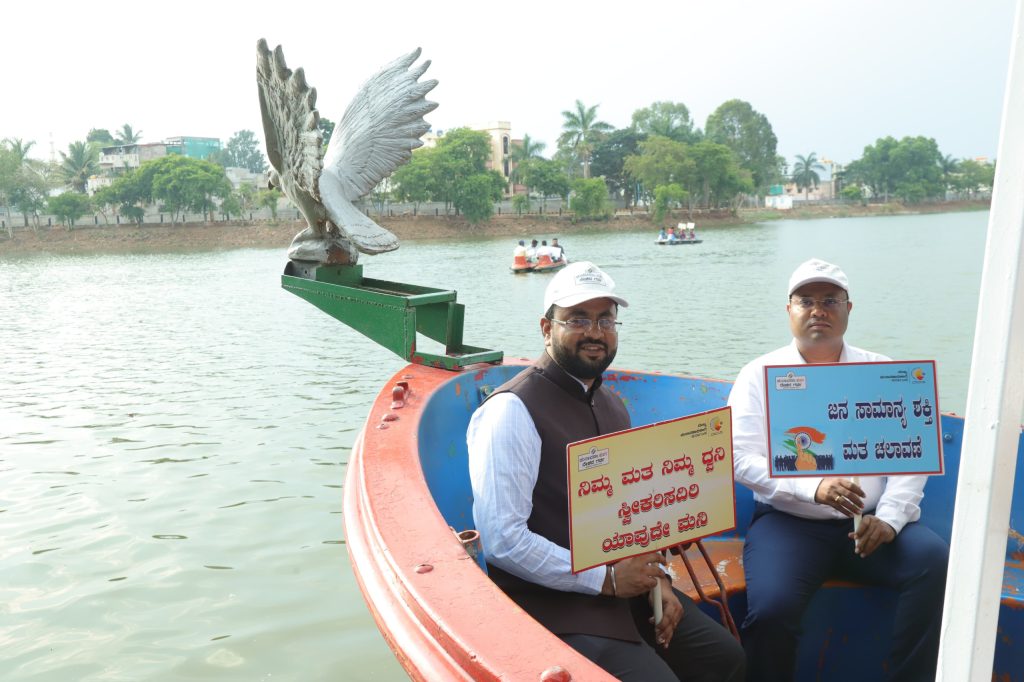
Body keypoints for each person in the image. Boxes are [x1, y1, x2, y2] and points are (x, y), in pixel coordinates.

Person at [468, 261, 745, 682]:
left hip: (625, 589)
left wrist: (659, 580)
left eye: (605, 320)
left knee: (726, 660)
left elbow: (632, 518)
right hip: (555, 603)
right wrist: (608, 579)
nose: (595, 333)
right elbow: (504, 540)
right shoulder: (511, 410)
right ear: (546, 328)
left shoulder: (613, 404)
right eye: (578, 319)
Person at [727, 258, 949, 682]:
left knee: (933, 562)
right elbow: (739, 458)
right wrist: (814, 487)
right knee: (771, 610)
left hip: (872, 526)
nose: (818, 310)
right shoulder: (758, 375)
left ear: (849, 308)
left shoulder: (882, 371)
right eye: (806, 300)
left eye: (830, 300)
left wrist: (891, 518)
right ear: (788, 309)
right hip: (792, 524)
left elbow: (911, 452)